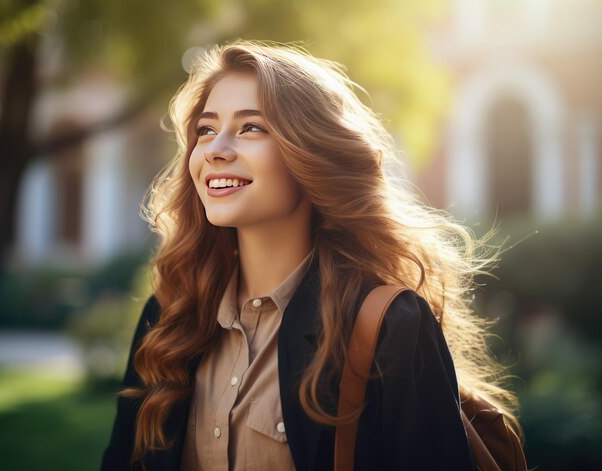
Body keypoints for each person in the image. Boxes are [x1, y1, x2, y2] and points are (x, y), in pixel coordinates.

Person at [101, 40, 521, 470]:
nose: (214, 149)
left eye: (251, 128)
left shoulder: (390, 326)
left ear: (311, 153)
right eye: (206, 130)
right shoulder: (169, 318)